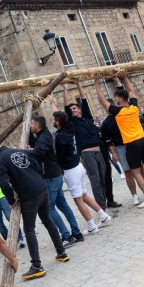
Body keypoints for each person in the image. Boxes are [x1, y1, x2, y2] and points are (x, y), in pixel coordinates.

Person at [0, 138, 68, 280]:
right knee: (47, 220)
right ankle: (62, 252)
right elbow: (36, 166)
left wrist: (11, 200)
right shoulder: (19, 151)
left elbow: (3, 184)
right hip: (42, 188)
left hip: (29, 195)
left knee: (29, 229)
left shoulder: (1, 160)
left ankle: (36, 266)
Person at [94, 75, 144, 206]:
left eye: (116, 98)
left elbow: (102, 100)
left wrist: (97, 83)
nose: (115, 99)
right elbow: (132, 91)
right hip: (143, 140)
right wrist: (125, 78)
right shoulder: (134, 107)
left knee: (136, 173)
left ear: (119, 99)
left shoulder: (118, 112)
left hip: (132, 143)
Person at [51, 110, 113, 234]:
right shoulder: (68, 130)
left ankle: (91, 226)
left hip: (71, 169)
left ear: (57, 122)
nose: (52, 121)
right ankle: (103, 216)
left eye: (53, 119)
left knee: (78, 200)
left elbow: (60, 156)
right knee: (84, 196)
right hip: (78, 165)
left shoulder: (61, 136)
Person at [29, 114, 85, 248]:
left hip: (50, 177)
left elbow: (38, 152)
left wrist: (24, 153)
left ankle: (66, 235)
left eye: (31, 124)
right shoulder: (44, 135)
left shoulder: (44, 137)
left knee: (49, 208)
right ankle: (76, 233)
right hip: (55, 174)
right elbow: (35, 144)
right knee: (63, 204)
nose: (30, 126)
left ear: (37, 126)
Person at [61, 82, 109, 211]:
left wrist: (78, 84)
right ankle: (102, 208)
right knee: (95, 181)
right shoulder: (72, 122)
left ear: (80, 109)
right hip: (87, 153)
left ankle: (104, 203)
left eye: (75, 108)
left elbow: (84, 100)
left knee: (102, 179)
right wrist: (65, 88)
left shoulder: (87, 117)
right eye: (71, 110)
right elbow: (66, 107)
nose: (73, 110)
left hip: (98, 152)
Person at [99, 96, 142, 203]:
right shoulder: (106, 123)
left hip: (132, 142)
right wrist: (113, 153)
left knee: (140, 169)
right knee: (128, 172)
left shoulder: (123, 113)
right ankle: (134, 195)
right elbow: (107, 140)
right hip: (120, 147)